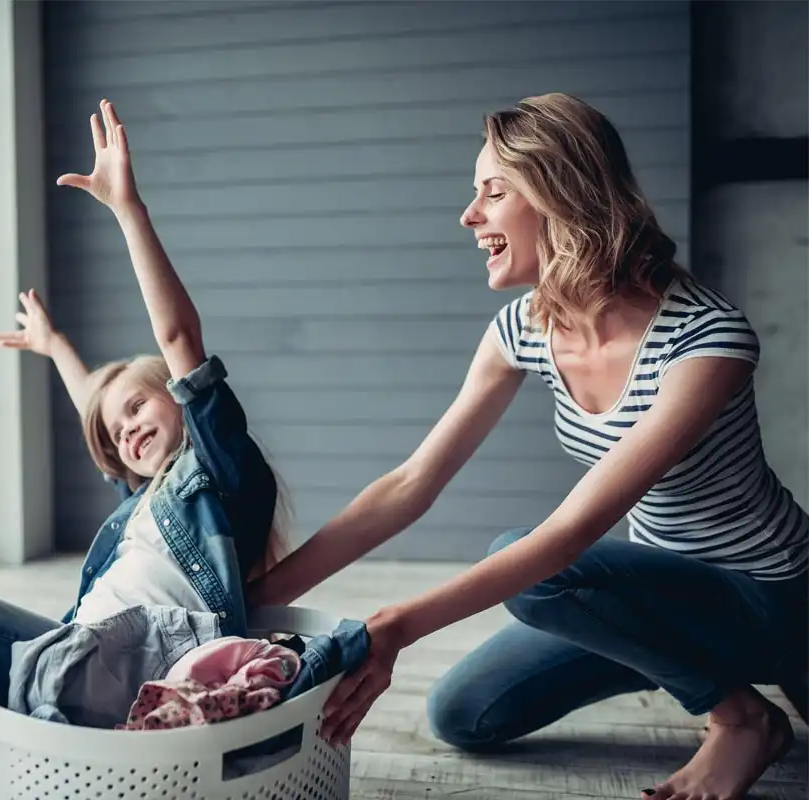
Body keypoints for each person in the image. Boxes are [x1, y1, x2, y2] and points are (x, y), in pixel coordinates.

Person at [248, 92, 808, 800]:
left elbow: (570, 537)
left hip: (767, 596)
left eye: (492, 191)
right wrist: (260, 598)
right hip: (647, 597)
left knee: (538, 566)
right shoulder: (524, 328)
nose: (469, 215)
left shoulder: (706, 341)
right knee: (464, 714)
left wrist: (393, 627)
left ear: (561, 193)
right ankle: (684, 665)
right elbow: (411, 482)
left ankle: (742, 717)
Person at [0, 100, 289, 800]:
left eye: (140, 407)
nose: (125, 430)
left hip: (146, 663)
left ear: (180, 404)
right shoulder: (143, 504)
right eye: (116, 430)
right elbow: (97, 404)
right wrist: (58, 348)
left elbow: (181, 341)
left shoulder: (220, 478)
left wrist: (128, 210)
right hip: (85, 654)